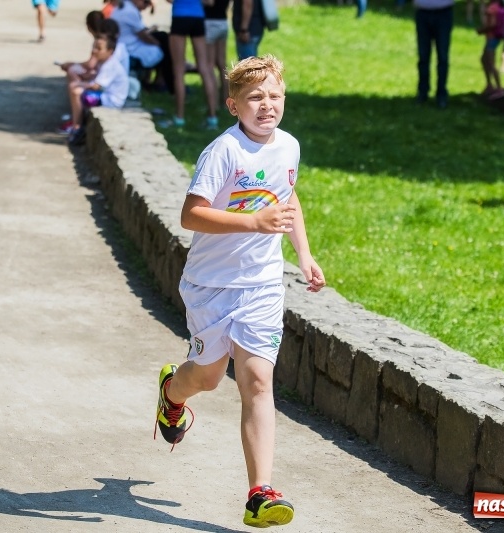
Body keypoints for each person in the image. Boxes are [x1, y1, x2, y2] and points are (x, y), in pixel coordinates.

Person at [154, 55, 326, 528]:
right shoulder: (223, 152)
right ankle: (172, 392)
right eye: (254, 97)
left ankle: (259, 493)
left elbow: (287, 199)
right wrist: (252, 220)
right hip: (212, 284)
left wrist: (304, 256)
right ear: (233, 104)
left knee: (256, 382)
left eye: (274, 96)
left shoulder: (288, 147)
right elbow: (191, 214)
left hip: (263, 286)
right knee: (207, 378)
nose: (266, 105)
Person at [65, 33, 129, 145]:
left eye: (99, 48)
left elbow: (96, 85)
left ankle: (77, 126)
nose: (94, 51)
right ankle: (78, 123)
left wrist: (77, 83)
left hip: (111, 100)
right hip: (105, 95)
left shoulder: (111, 65)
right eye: (94, 47)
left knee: (76, 92)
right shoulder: (103, 62)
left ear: (110, 51)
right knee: (77, 88)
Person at [165, 0, 218, 129]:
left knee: (178, 71)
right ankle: (212, 118)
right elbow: (210, 2)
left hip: (179, 16)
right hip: (198, 17)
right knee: (204, 68)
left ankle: (179, 117)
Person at [110, 0, 172, 92]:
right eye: (145, 3)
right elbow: (143, 35)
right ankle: (162, 81)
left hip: (127, 45)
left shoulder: (122, 8)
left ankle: (157, 79)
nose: (144, 7)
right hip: (130, 48)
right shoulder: (130, 11)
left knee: (162, 38)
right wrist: (158, 44)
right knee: (164, 43)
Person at [414, 0, 454, 109]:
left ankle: (441, 94)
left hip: (443, 13)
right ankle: (422, 92)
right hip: (423, 12)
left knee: (442, 57)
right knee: (423, 56)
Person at [477, 0, 504, 100]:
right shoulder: (499, 7)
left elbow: (492, 24)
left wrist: (482, 30)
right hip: (496, 38)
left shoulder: (492, 8)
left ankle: (499, 88)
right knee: (484, 59)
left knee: (491, 63)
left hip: (492, 38)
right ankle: (489, 85)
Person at [204, 0, 230, 103]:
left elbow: (209, 2)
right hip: (223, 22)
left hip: (210, 23)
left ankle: (213, 104)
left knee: (209, 65)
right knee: (222, 64)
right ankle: (226, 101)